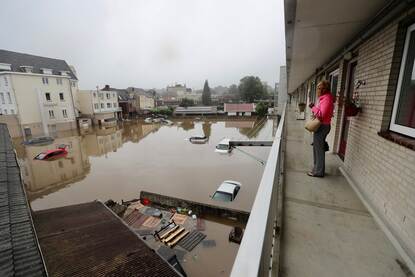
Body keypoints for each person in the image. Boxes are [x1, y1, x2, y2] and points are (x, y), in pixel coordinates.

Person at [308, 80, 334, 177]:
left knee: (318, 150)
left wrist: (313, 107)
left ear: (324, 89)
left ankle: (318, 172)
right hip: (321, 126)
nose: (317, 90)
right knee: (316, 148)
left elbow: (321, 115)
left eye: (319, 88)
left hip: (322, 127)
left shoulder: (327, 99)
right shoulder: (324, 98)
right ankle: (317, 168)